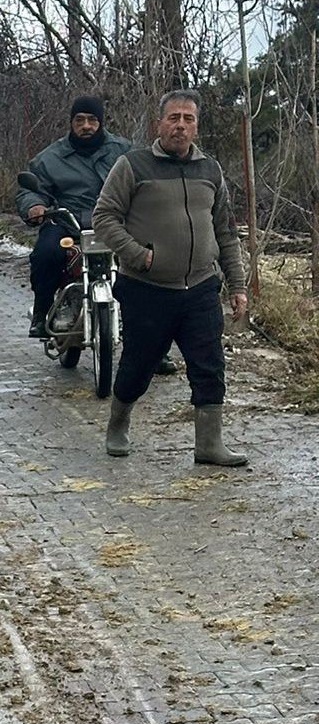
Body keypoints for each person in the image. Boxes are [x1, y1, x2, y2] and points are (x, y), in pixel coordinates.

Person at [90, 88, 248, 466]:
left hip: (200, 287)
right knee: (138, 365)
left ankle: (208, 444)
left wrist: (238, 285)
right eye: (173, 118)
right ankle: (118, 425)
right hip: (147, 288)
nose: (180, 125)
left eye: (188, 119)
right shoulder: (133, 166)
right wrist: (138, 255)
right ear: (159, 123)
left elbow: (225, 231)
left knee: (209, 365)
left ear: (196, 127)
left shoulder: (210, 170)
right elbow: (103, 217)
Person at [16, 96, 133, 339]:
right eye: (80, 120)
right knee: (46, 253)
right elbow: (30, 189)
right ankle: (42, 312)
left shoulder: (125, 152)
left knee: (144, 264)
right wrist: (34, 206)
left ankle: (153, 341)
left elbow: (144, 181)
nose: (86, 126)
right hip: (67, 223)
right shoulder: (51, 157)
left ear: (101, 122)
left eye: (92, 120)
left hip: (114, 223)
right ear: (71, 123)